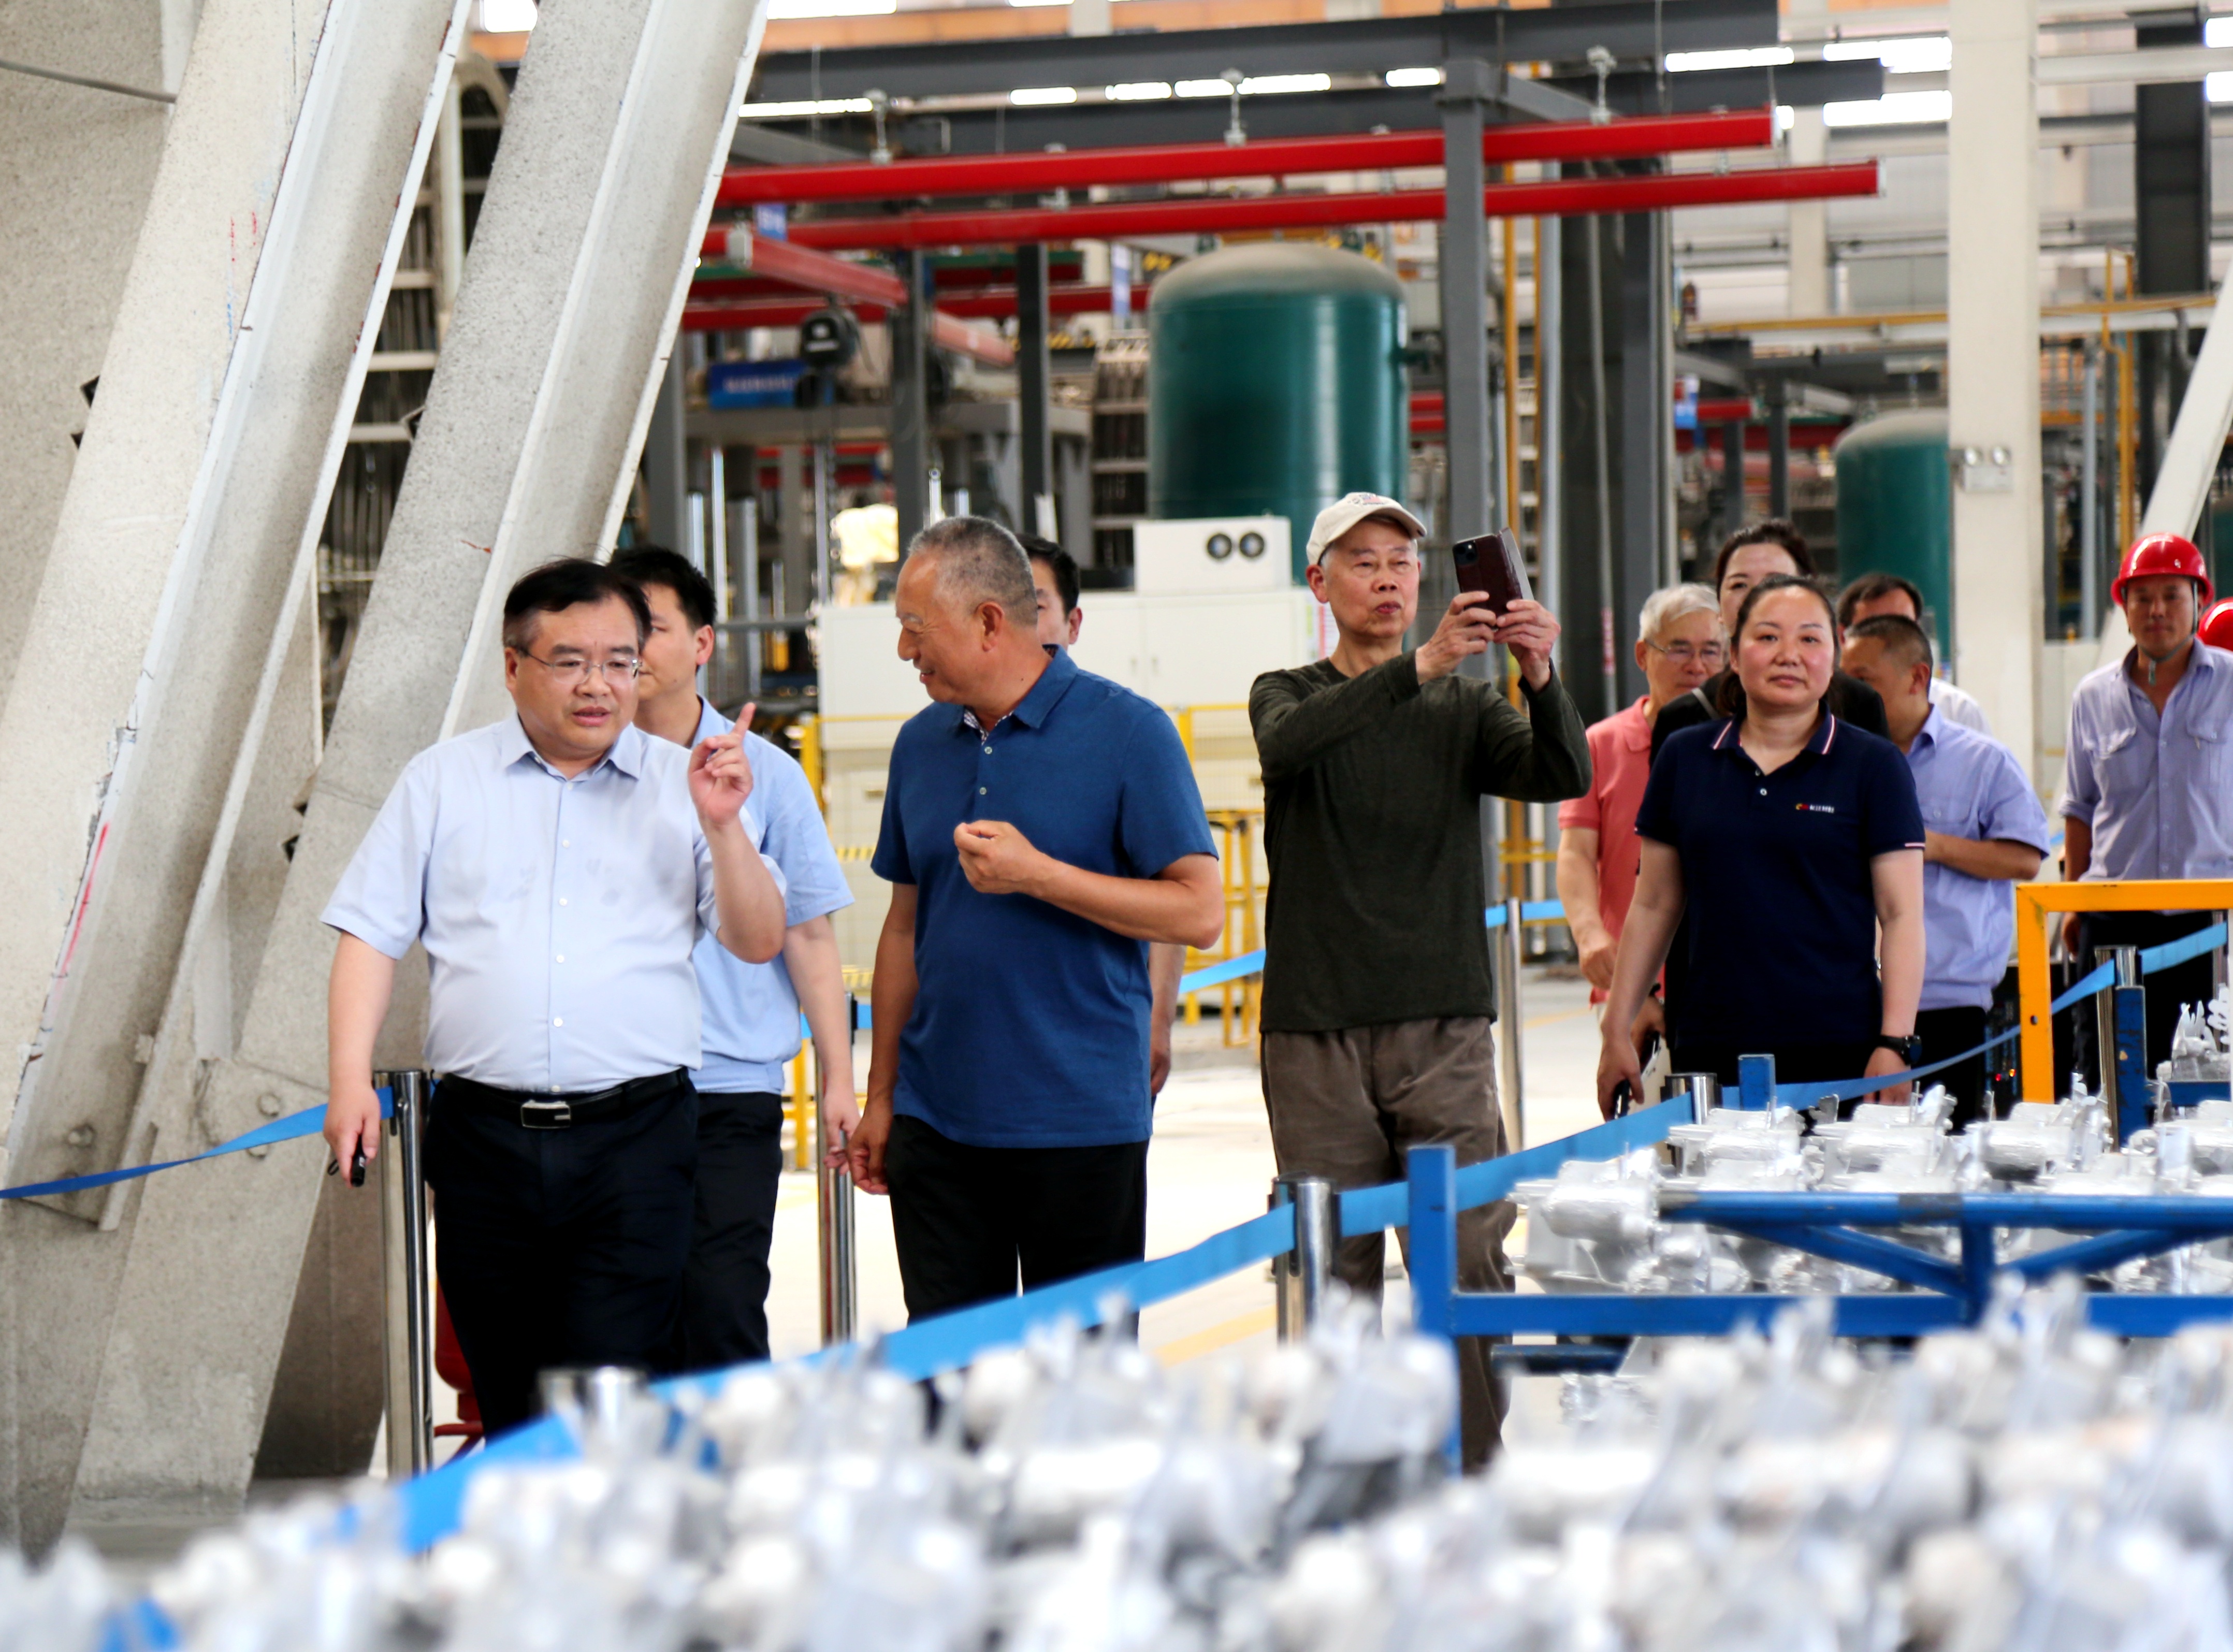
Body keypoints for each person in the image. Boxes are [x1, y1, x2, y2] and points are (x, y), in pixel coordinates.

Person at [321, 559, 790, 1434]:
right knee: (510, 1391)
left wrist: (725, 827)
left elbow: (758, 938)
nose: (598, 685)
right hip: (483, 1142)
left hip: (636, 1139)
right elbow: (369, 934)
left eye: (619, 662)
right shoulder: (442, 781)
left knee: (613, 1387)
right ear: (513, 666)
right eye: (569, 661)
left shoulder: (688, 783)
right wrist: (348, 1079)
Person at [1250, 491, 1589, 1468]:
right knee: (1333, 1263)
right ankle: (1348, 1471)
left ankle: (1472, 1462)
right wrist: (1424, 664)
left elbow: (1560, 774)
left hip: (1442, 1024)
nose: (1389, 579)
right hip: (1315, 1027)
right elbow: (1290, 747)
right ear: (1319, 582)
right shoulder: (1284, 690)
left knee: (1470, 1249)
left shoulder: (1465, 707)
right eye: (1362, 562)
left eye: (1402, 561)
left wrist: (1539, 674)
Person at [850, 518, 1223, 1320]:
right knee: (947, 1374)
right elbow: (904, 928)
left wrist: (1040, 876)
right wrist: (882, 1096)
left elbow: (1199, 910)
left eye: (915, 627)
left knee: (1079, 1380)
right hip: (937, 1124)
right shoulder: (920, 744)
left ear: (988, 622)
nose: (905, 650)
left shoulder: (1130, 732)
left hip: (1081, 1122)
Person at [611, 546, 856, 1371]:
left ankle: (732, 1453)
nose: (631, 649)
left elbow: (810, 934)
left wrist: (839, 1077)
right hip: (612, 1087)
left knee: (721, 1304)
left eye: (651, 628)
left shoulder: (769, 776)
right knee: (624, 1319)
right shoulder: (584, 769)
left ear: (703, 643)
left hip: (728, 1089)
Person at [1599, 575, 1926, 1115]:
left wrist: (1894, 1041)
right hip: (1710, 1047)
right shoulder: (1684, 757)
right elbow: (1654, 904)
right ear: (1734, 653)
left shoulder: (1873, 765)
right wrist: (1616, 1027)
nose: (1788, 655)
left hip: (1839, 1051)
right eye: (1768, 637)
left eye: (1809, 638)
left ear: (1834, 655)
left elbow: (1902, 914)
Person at [1840, 614, 2048, 1126]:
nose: (1849, 696)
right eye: (1842, 682)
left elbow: (2025, 858)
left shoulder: (1982, 761)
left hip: (1946, 1001)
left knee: (1943, 1152)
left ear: (1917, 678)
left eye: (1863, 681)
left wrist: (1932, 847)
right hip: (1848, 1002)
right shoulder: (1834, 761)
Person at [2060, 531, 2233, 1084]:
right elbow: (2080, 808)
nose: (2157, 610)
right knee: (2111, 1080)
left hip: (2210, 922)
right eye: (2142, 597)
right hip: (2113, 920)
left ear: (2199, 600)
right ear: (2124, 606)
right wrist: (2072, 901)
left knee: (2208, 1086)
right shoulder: (2092, 697)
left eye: (2172, 595)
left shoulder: (2230, 684)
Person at [1021, 532, 1186, 1095]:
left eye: (1035, 605)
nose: (1016, 621)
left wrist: (1157, 1021)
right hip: (963, 1082)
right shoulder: (930, 741)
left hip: (1095, 1065)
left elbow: (1179, 902)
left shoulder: (1129, 732)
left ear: (1073, 625)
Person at [1556, 584, 1723, 1003]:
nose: (1697, 666)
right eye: (1679, 650)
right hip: (1631, 982)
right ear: (1643, 655)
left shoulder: (1745, 744)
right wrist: (1589, 934)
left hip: (1727, 979)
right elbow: (1576, 852)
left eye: (1711, 651)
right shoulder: (1601, 744)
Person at [1650, 521, 1888, 760]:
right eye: (1739, 585)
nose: (1758, 598)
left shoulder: (1859, 705)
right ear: (1720, 606)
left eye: (1776, 582)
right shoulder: (1682, 720)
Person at [1835, 571, 1992, 734]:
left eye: (1904, 625)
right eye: (1871, 628)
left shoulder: (1959, 711)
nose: (1889, 636)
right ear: (1842, 637)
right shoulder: (1829, 709)